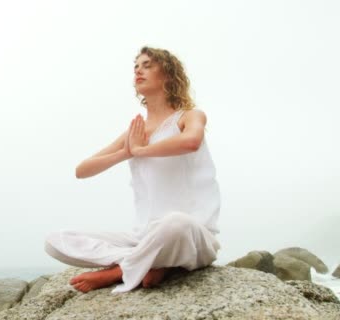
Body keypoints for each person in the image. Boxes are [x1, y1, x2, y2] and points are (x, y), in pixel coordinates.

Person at [44, 46, 221, 294]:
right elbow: (81, 170)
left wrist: (140, 151)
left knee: (175, 223)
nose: (139, 70)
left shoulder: (190, 116)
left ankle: (119, 271)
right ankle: (152, 263)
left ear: (168, 75)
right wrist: (125, 152)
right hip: (143, 237)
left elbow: (190, 142)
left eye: (147, 65)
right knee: (56, 241)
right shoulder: (135, 133)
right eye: (136, 66)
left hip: (192, 234)